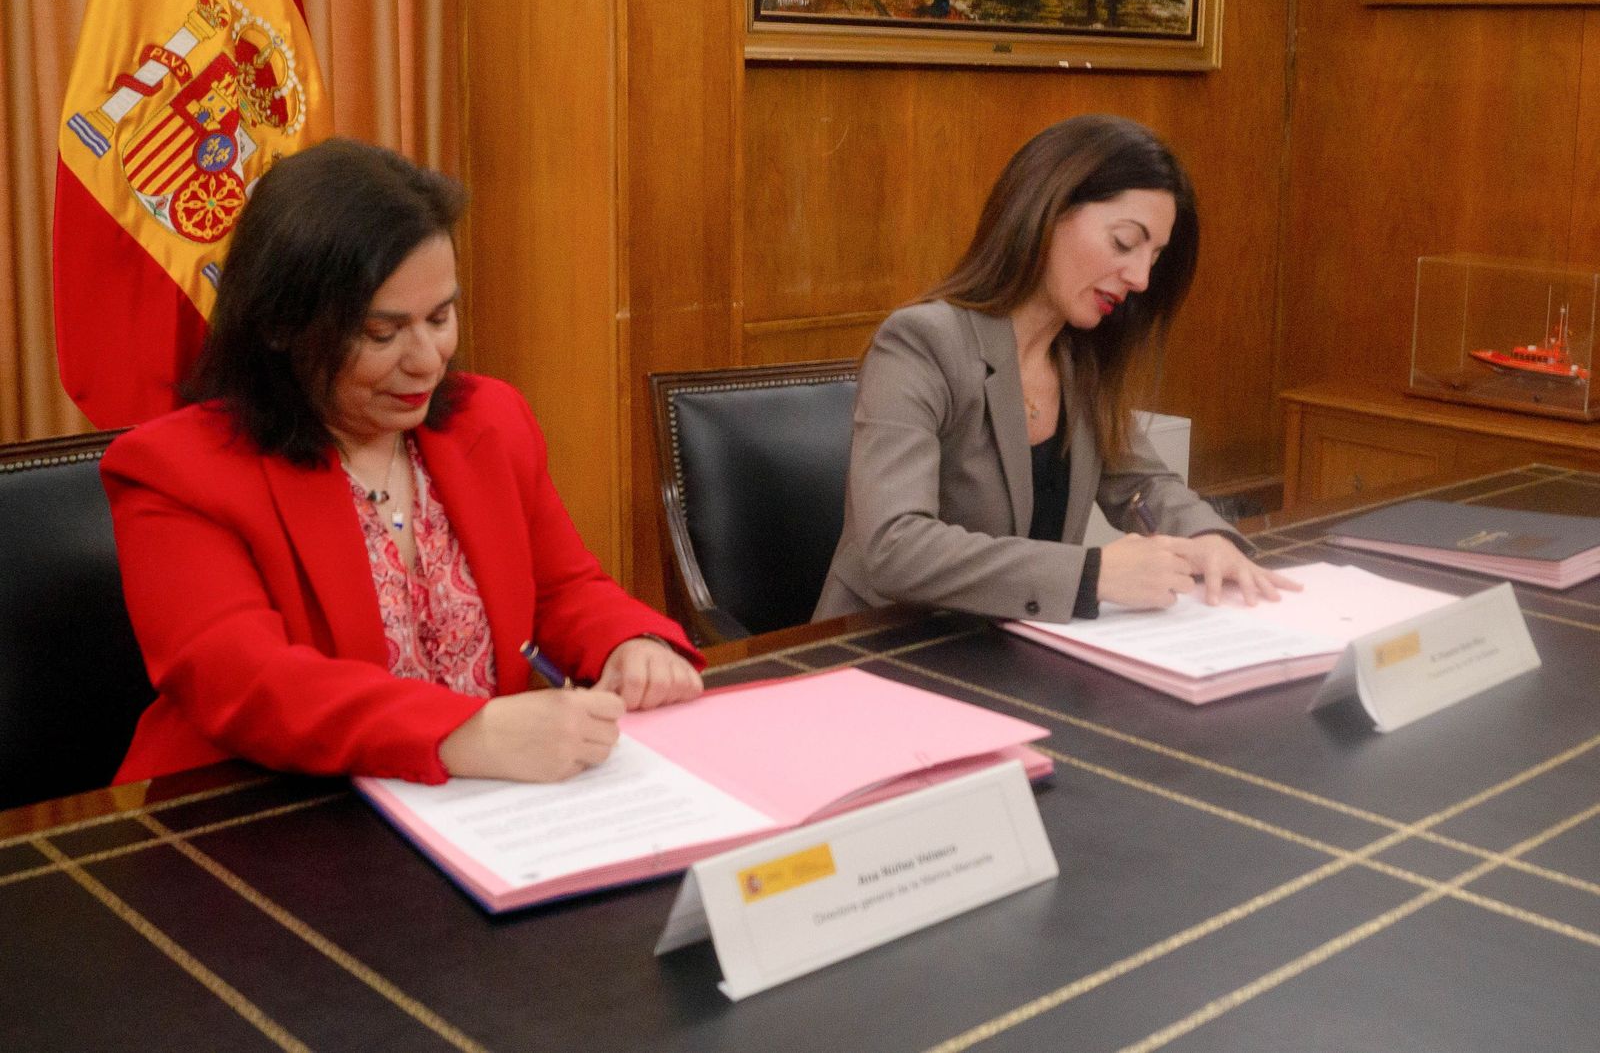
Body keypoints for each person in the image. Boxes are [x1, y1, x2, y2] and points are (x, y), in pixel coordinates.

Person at [103, 139, 703, 788]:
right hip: (261, 813)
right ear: (281, 326)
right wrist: (460, 732)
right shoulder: (175, 470)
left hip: (469, 806)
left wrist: (630, 644)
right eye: (383, 334)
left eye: (441, 316)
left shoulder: (491, 420)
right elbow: (248, 683)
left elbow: (561, 589)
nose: (427, 359)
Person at [814, 114, 1295, 623]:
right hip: (885, 652)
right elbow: (894, 547)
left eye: (1154, 257)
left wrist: (1208, 539)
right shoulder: (921, 343)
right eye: (1125, 243)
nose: (1139, 278)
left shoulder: (1080, 357)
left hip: (1014, 648)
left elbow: (1145, 486)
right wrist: (1092, 574)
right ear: (1048, 210)